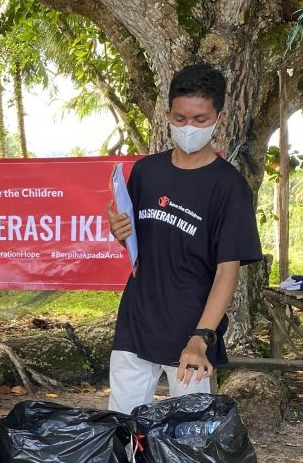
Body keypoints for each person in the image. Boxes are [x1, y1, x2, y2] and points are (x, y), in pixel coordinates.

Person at [105, 63, 262, 414]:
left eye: (200, 120)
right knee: (123, 428)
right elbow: (139, 246)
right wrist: (120, 234)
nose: (188, 127)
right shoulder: (146, 171)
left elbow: (227, 272)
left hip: (191, 334)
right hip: (136, 323)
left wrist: (201, 337)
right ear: (168, 114)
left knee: (189, 441)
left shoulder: (229, 187)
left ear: (219, 118)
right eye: (180, 118)